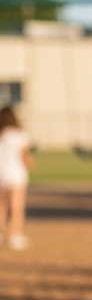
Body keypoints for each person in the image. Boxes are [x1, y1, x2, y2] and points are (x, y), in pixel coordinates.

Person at [0, 106, 33, 249]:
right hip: (16, 175)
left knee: (1, 207)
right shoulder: (19, 135)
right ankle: (15, 236)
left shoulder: (1, 134)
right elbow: (23, 155)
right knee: (16, 207)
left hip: (1, 173)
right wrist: (30, 163)